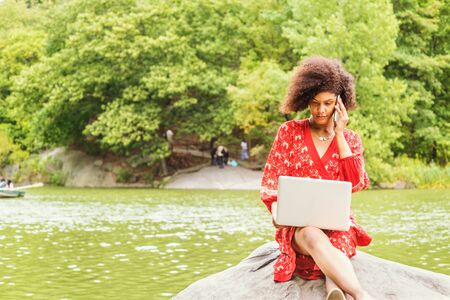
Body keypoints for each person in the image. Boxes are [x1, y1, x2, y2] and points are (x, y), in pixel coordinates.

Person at [260, 57, 373, 300]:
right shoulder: (289, 132)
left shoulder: (350, 139)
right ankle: (361, 295)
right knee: (312, 234)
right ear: (304, 100)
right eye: (314, 103)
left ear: (340, 103)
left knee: (337, 240)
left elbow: (356, 183)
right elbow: (271, 182)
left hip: (337, 226)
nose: (321, 110)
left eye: (328, 103)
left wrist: (340, 133)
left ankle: (335, 292)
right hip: (301, 229)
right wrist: (276, 213)